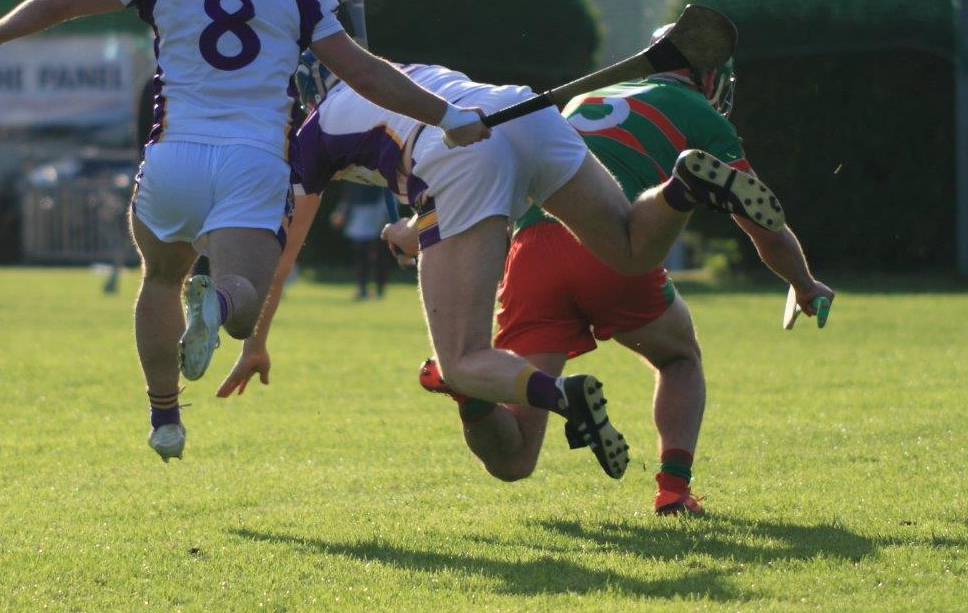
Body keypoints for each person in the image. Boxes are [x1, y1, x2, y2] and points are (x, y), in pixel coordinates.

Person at [0, 0, 489, 463]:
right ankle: (219, 302)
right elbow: (362, 73)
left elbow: (64, 1)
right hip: (252, 162)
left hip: (171, 159)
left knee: (161, 278)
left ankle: (165, 417)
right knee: (240, 299)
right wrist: (447, 115)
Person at [215, 52, 787, 481]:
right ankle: (681, 189)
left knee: (460, 363)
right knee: (630, 250)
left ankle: (563, 395)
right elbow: (464, 182)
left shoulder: (311, 137)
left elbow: (284, 250)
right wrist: (415, 227)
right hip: (521, 113)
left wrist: (254, 341)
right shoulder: (404, 70)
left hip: (458, 154)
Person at [387, 26, 834, 515]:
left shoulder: (588, 97)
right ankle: (673, 490)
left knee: (514, 459)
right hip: (610, 242)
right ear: (708, 77)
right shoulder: (700, 113)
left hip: (531, 254)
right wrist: (803, 283)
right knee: (679, 358)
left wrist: (409, 232)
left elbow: (481, 189)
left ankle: (469, 390)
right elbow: (764, 227)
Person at [330, 183, 392, 299]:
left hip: (378, 207)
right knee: (361, 253)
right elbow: (349, 194)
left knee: (379, 252)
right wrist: (343, 211)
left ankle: (380, 289)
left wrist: (386, 209)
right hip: (359, 212)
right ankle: (362, 288)